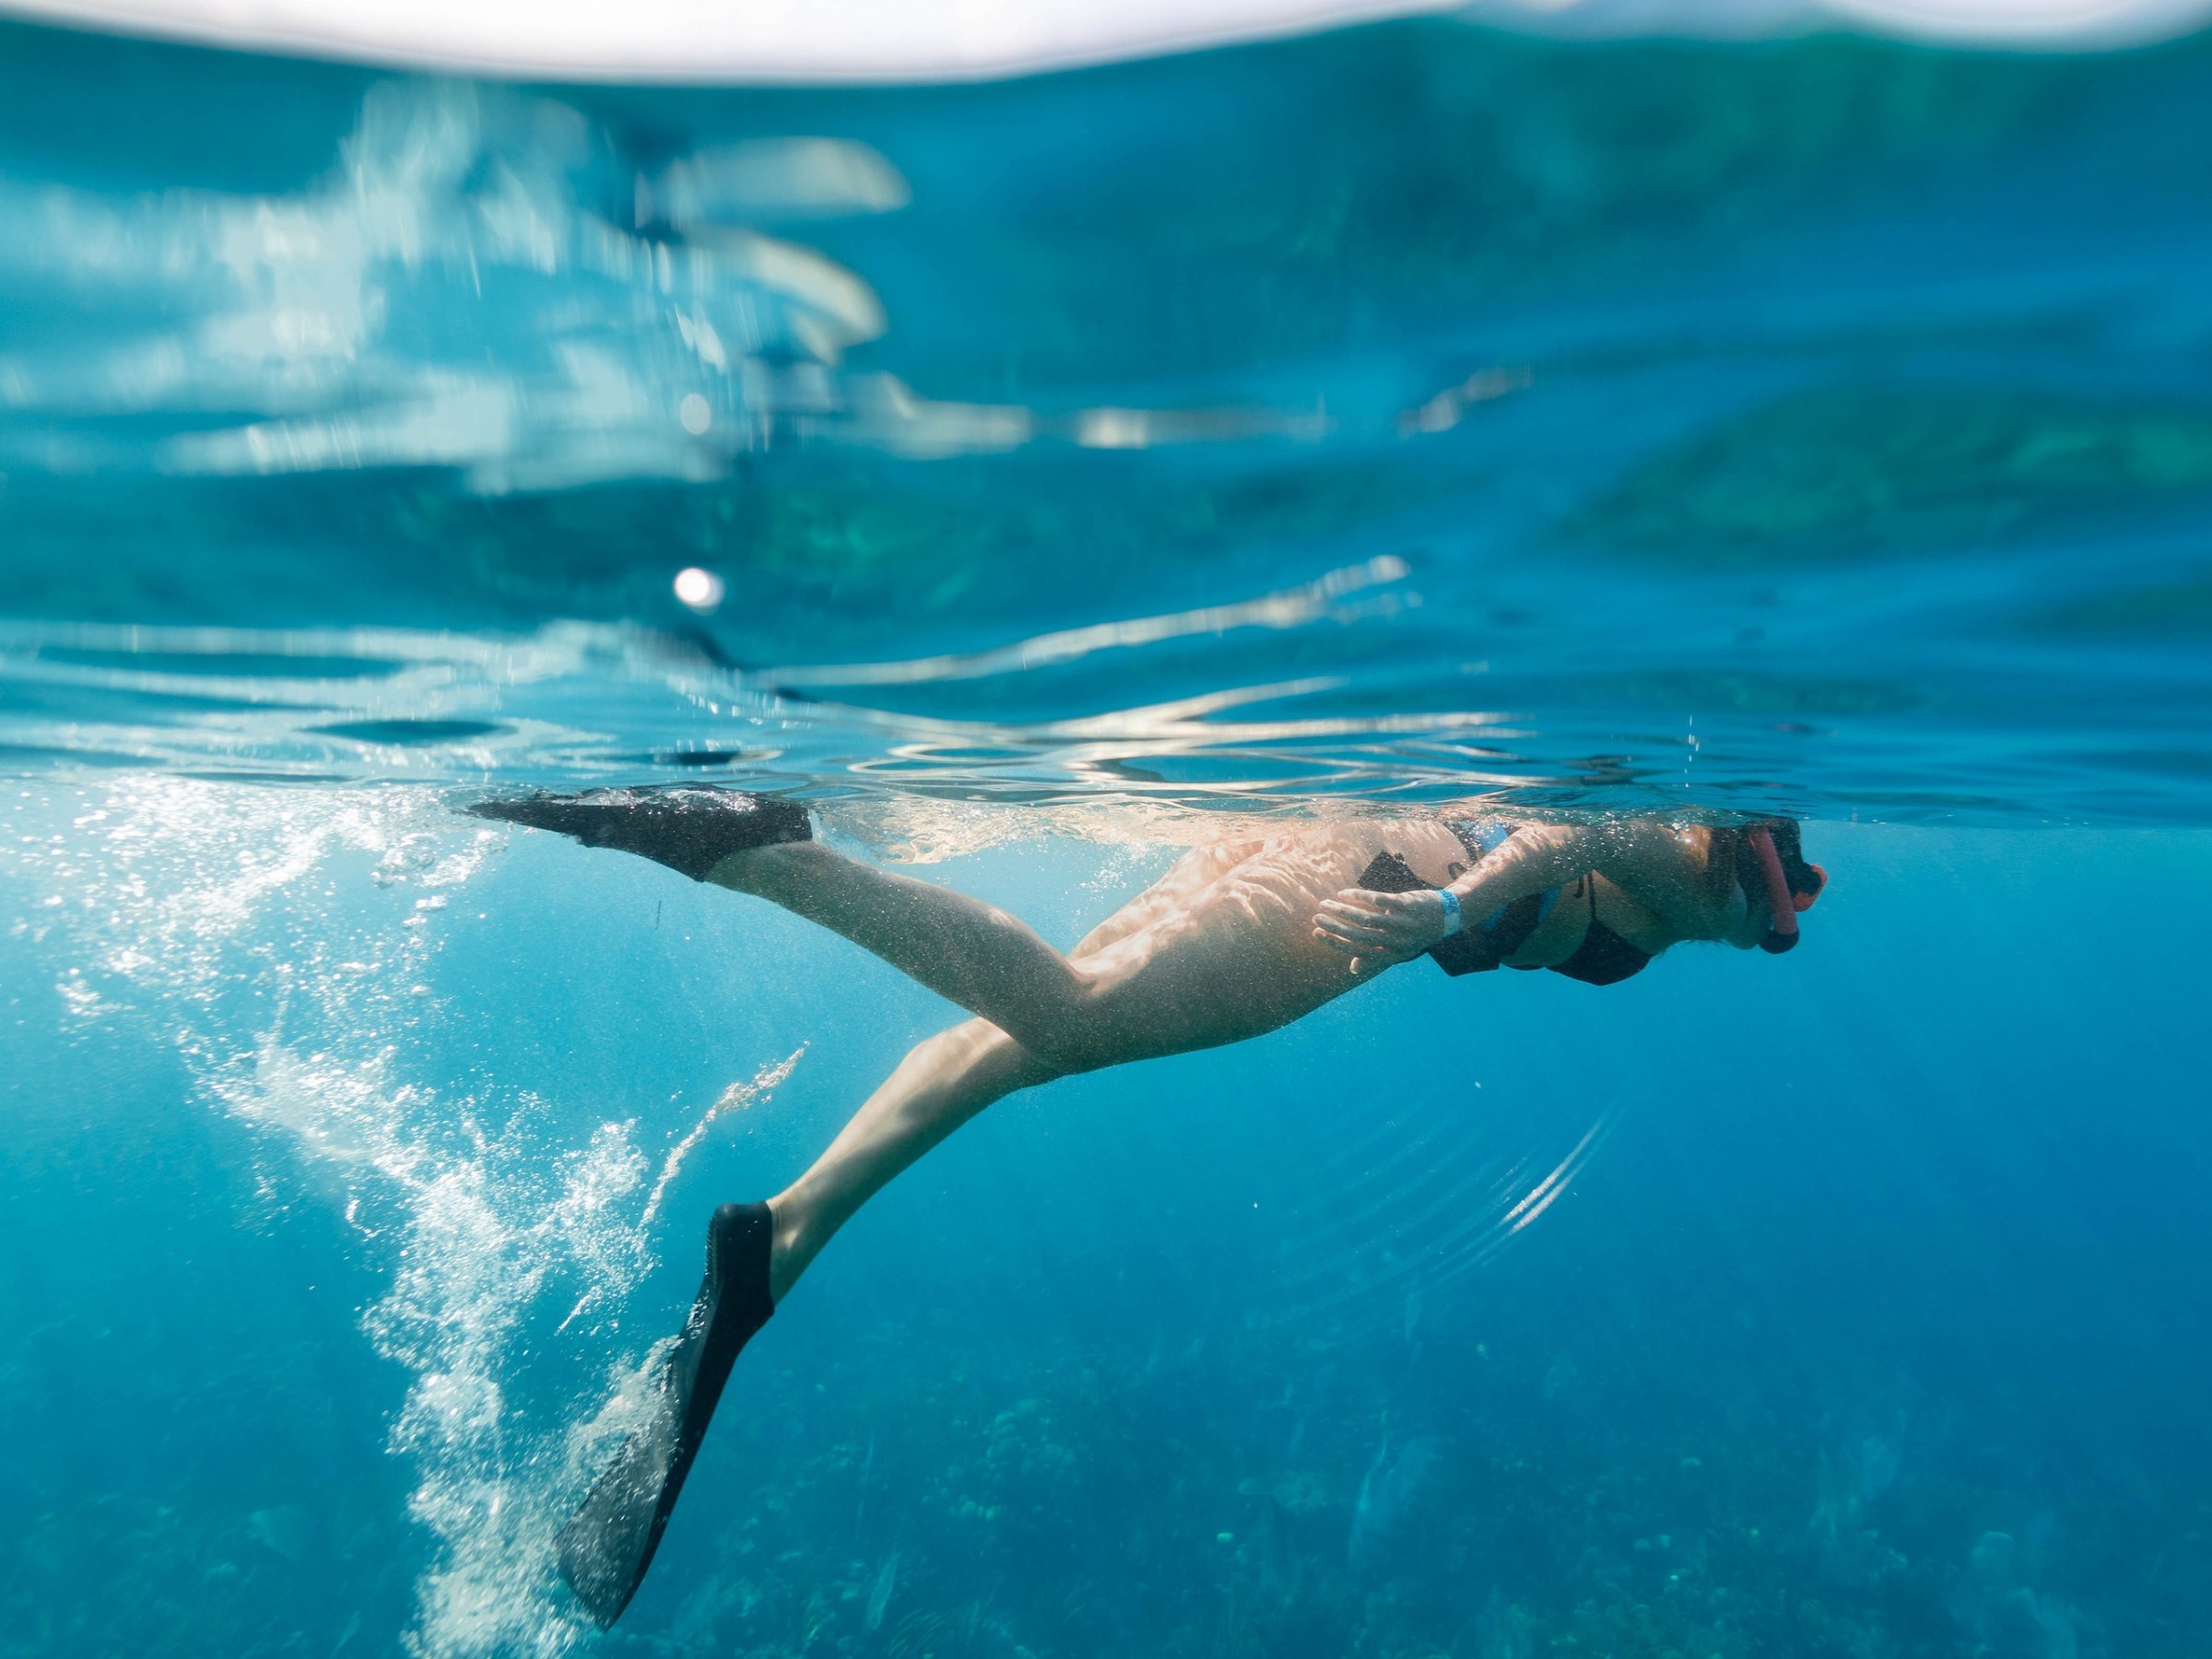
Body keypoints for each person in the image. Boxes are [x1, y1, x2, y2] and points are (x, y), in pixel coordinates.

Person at [464, 788, 1826, 1623]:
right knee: (1074, 1009)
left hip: (1347, 844)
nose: (1788, 914)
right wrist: (1459, 903)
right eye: (1780, 886)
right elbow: (1588, 830)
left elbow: (1581, 831)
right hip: (1378, 887)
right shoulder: (1702, 860)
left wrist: (1465, 894)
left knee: (1030, 1043)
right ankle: (754, 853)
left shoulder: (1710, 859)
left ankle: (781, 1238)